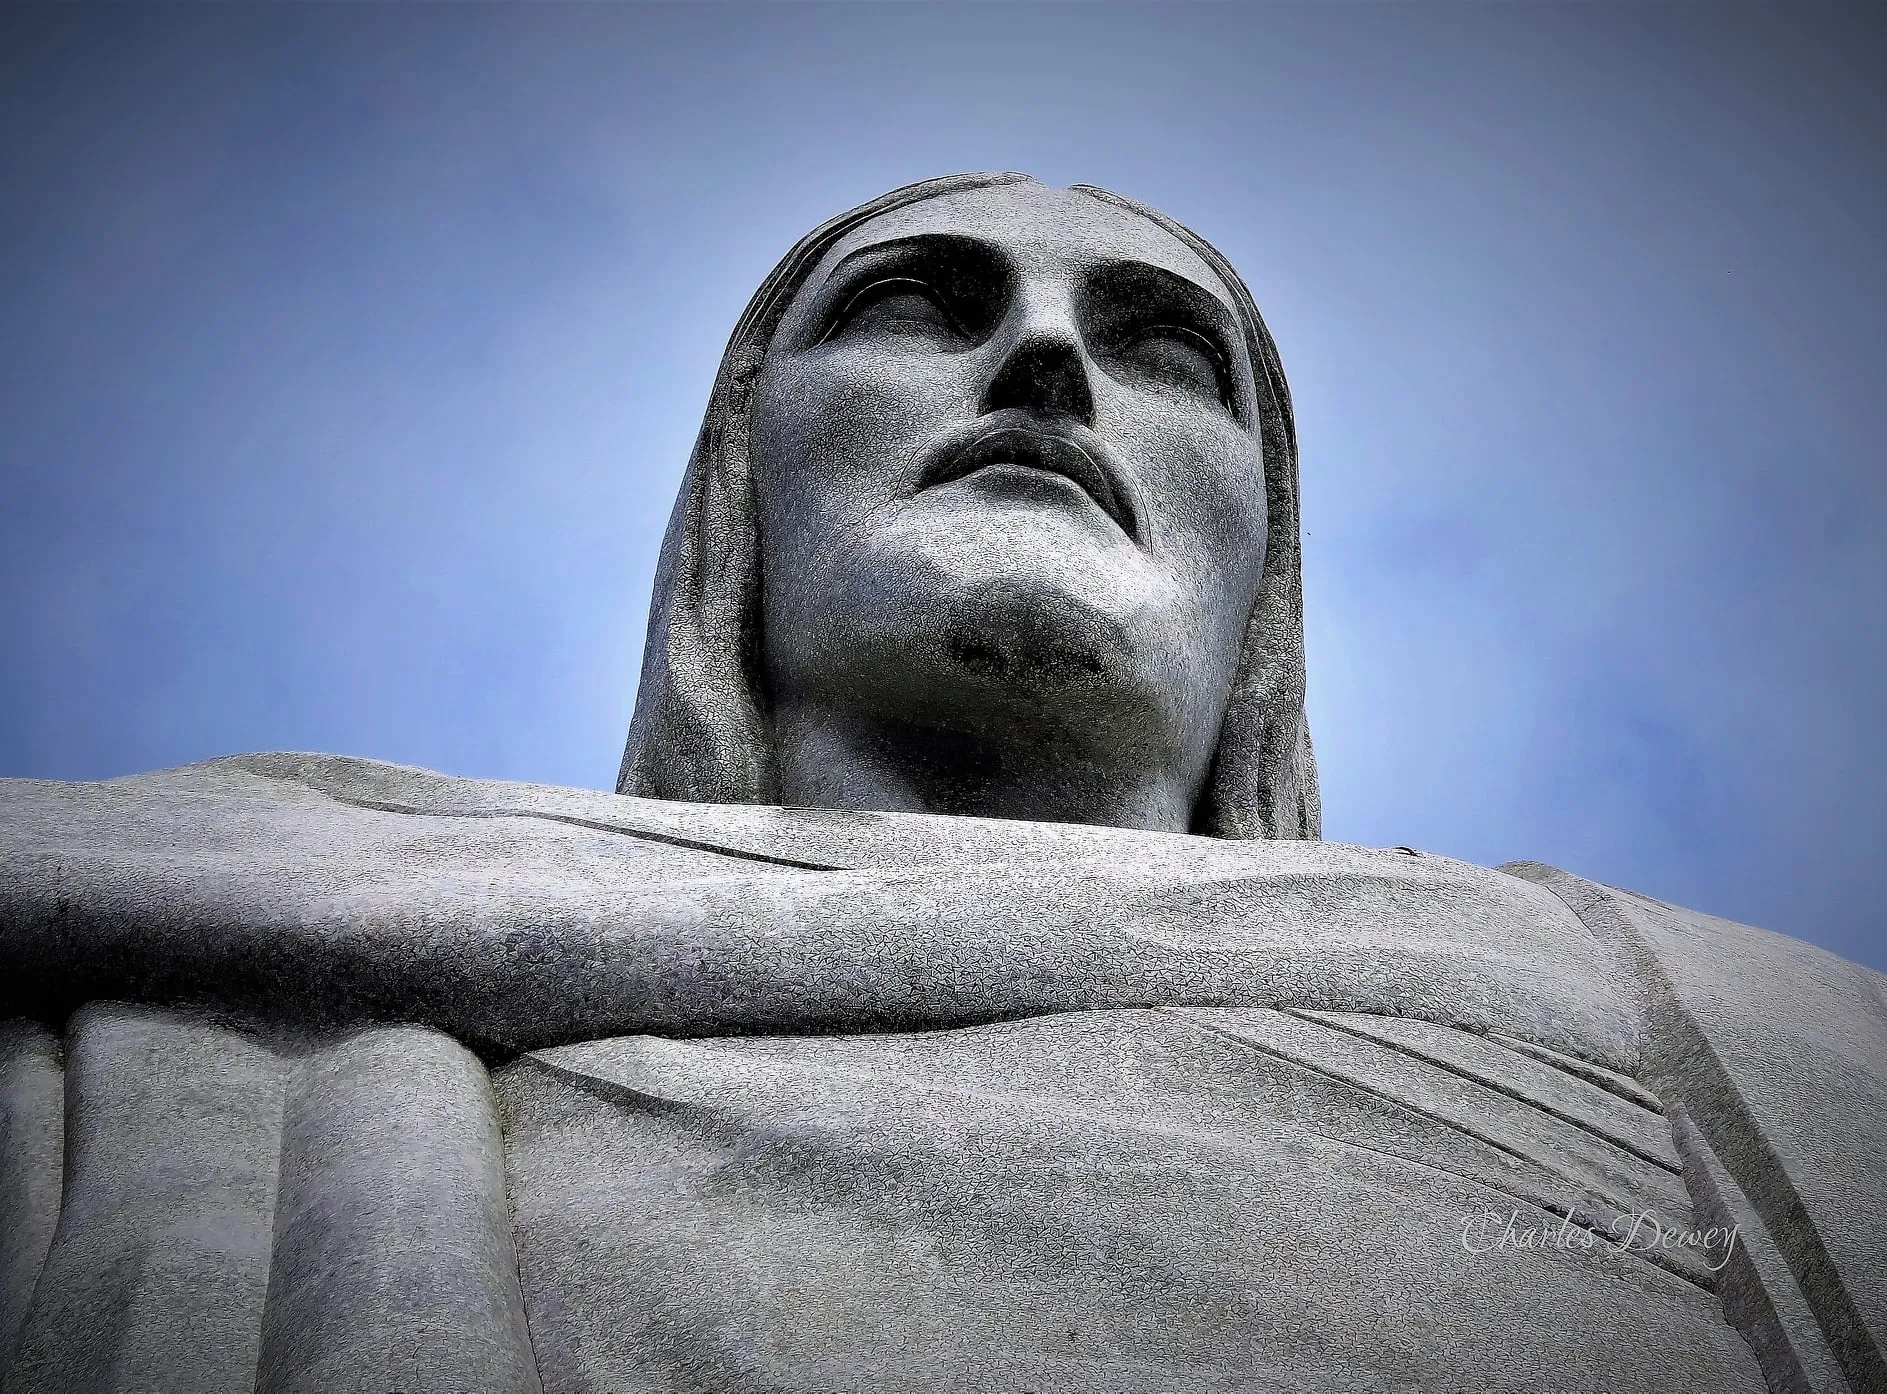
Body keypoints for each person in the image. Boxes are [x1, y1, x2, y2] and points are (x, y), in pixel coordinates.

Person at [1, 174, 1880, 1394]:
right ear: (742, 504)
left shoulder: (1731, 1032)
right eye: (912, 304)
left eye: (1167, 351)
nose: (1045, 360)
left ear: (1262, 588)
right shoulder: (184, 956)